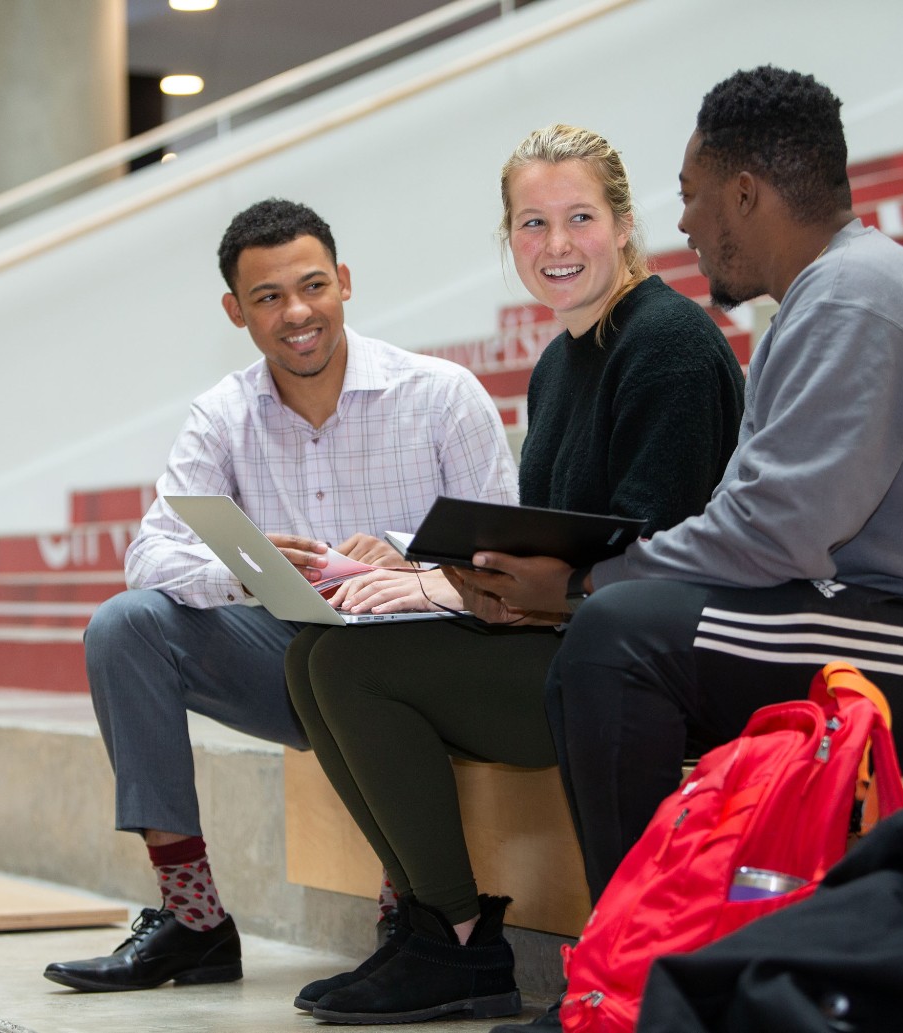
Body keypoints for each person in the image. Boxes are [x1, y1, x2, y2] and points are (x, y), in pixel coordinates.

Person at [457, 66, 903, 929]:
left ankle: (640, 976)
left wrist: (582, 586)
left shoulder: (858, 294)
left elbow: (773, 536)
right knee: (616, 645)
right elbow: (761, 528)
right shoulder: (824, 296)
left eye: (693, 198)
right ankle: (658, 956)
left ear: (746, 192)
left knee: (617, 637)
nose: (684, 224)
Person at [283, 124, 745, 1024]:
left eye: (579, 217)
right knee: (310, 655)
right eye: (532, 224)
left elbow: (647, 553)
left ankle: (454, 938)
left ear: (621, 223)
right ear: (509, 240)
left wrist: (450, 589)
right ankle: (435, 929)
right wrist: (430, 565)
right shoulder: (558, 364)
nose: (557, 245)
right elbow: (544, 541)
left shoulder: (670, 346)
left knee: (348, 666)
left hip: (651, 665)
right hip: (571, 636)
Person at [42, 198, 519, 993]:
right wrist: (248, 571)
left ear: (346, 284)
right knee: (125, 627)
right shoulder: (224, 416)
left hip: (421, 662)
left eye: (313, 286)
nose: (297, 313)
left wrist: (404, 561)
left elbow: (501, 556)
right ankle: (191, 917)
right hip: (290, 654)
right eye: (268, 297)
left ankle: (413, 912)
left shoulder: (442, 395)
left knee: (358, 658)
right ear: (236, 310)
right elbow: (150, 552)